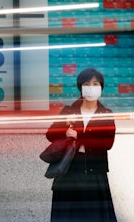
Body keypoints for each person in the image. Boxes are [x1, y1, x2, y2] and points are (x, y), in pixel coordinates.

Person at [46, 68, 117, 222]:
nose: (91, 87)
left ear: (101, 87)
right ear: (81, 87)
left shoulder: (106, 113)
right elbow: (50, 134)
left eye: (95, 84)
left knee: (94, 217)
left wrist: (80, 136)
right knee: (68, 216)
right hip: (69, 170)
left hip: (94, 173)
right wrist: (65, 127)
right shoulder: (69, 110)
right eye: (87, 83)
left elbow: (107, 143)